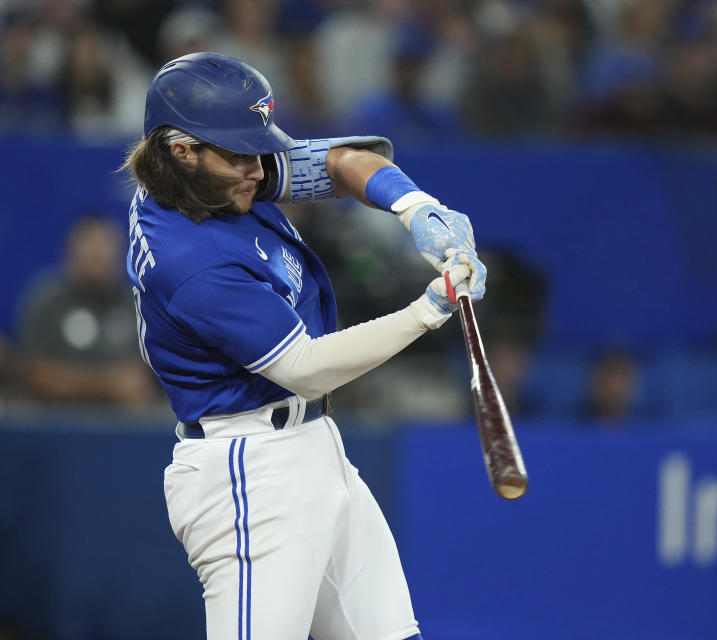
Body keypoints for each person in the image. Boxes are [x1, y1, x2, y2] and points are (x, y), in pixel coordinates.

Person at [122, 52, 486, 639]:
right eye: (238, 151)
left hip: (313, 447)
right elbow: (305, 368)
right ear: (180, 149)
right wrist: (429, 309)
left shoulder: (208, 177)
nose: (256, 167)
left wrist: (416, 207)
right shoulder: (191, 261)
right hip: (247, 472)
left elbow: (345, 163)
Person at [15, 215, 158, 408]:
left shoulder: (138, 304)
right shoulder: (46, 301)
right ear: (70, 253)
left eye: (104, 247)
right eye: (90, 248)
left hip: (124, 426)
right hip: (53, 422)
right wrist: (109, 385)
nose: (97, 254)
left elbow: (144, 377)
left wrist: (67, 381)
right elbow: (36, 373)